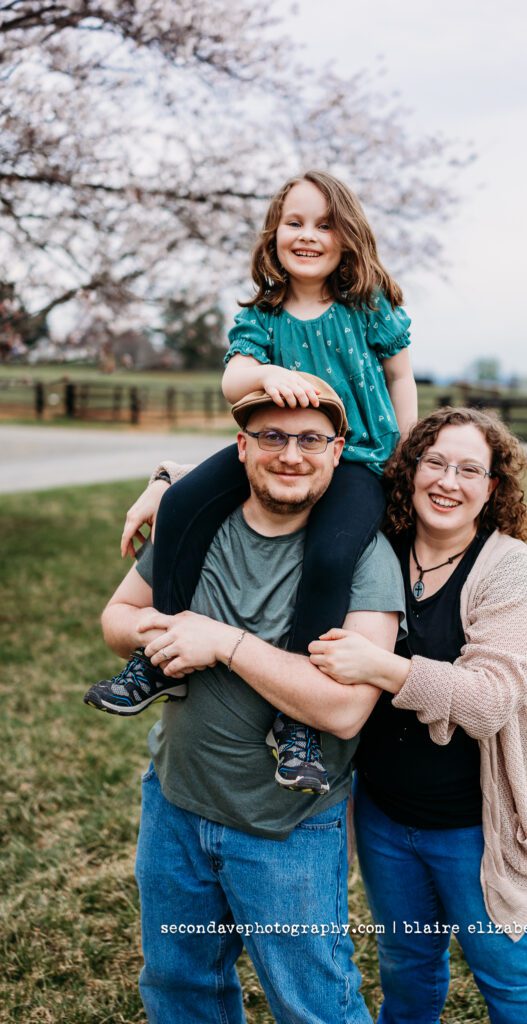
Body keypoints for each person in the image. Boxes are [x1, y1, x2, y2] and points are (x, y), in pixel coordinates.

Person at [85, 168, 417, 795]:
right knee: (181, 501)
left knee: (330, 554)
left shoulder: (366, 308)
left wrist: (407, 453)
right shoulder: (263, 316)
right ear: (274, 234)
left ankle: (296, 724)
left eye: (324, 224)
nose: (308, 235)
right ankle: (158, 659)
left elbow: (400, 378)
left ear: (347, 237)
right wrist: (264, 375)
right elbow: (233, 377)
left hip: (357, 459)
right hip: (276, 443)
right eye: (295, 222)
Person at [100, 381, 405, 1023]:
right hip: (176, 804)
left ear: (336, 451)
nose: (291, 454)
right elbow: (116, 618)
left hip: (286, 824)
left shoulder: (366, 557)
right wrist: (170, 631)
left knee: (314, 1005)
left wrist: (224, 643)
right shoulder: (195, 527)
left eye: (310, 440)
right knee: (179, 987)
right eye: (271, 436)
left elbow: (345, 710)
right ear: (241, 447)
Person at [308, 406, 527, 1024]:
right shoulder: (377, 545)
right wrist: (165, 481)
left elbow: (488, 702)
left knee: (515, 981)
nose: (448, 482)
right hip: (384, 817)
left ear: (493, 487)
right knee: (406, 968)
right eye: (435, 462)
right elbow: (286, 473)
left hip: (478, 826)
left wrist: (381, 667)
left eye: (469, 469)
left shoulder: (511, 570)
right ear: (409, 469)